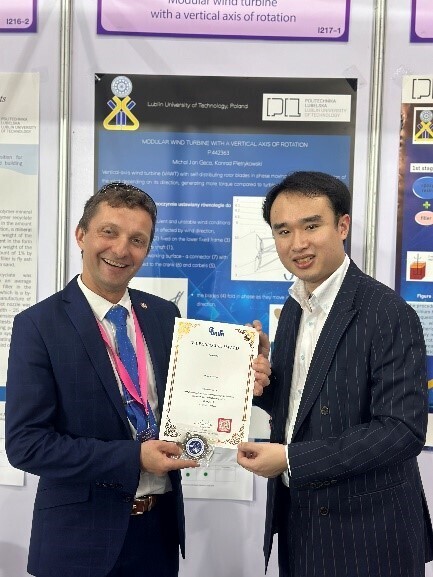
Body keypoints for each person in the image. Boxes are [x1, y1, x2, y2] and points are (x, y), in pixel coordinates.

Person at [5, 181, 270, 577]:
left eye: (137, 240)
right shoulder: (39, 325)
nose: (121, 249)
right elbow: (26, 445)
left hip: (157, 535)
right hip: (78, 543)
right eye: (108, 232)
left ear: (147, 249)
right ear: (81, 235)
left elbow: (190, 401)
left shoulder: (163, 316)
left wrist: (244, 378)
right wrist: (134, 458)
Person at [237, 171, 433, 577]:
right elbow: (305, 405)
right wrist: (262, 384)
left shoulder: (388, 313)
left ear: (342, 226)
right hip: (301, 520)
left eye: (311, 226)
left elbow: (401, 431)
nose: (297, 243)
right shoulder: (296, 306)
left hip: (369, 533)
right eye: (283, 231)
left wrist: (290, 459)